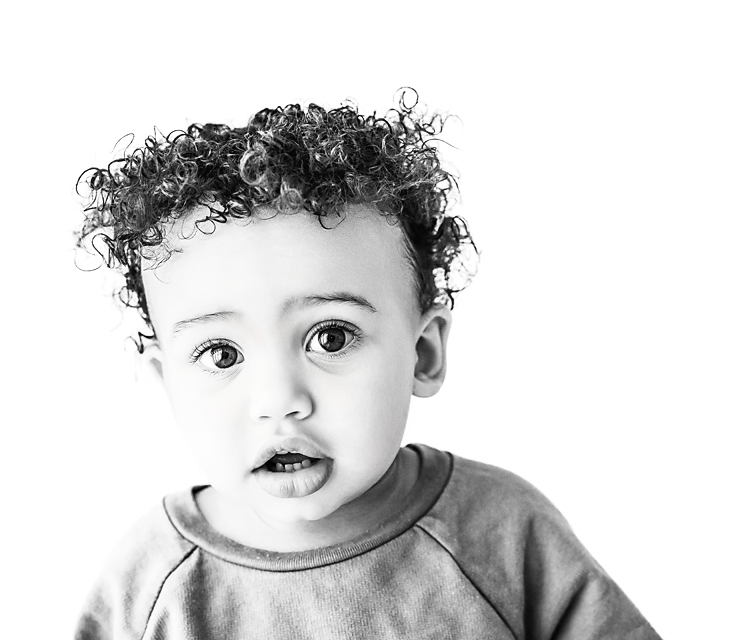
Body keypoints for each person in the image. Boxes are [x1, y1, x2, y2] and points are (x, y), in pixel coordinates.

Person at [72, 92, 661, 639]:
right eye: (221, 354)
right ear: (166, 385)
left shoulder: (502, 534)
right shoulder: (149, 584)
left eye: (330, 337)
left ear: (422, 354)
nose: (279, 398)